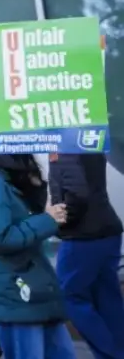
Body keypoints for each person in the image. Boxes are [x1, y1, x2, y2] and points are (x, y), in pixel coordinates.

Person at [0, 126, 76, 359]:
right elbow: (0, 238)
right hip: (14, 292)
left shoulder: (4, 177)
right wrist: (47, 220)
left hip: (30, 288)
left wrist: (37, 186)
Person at [50, 153, 124, 358]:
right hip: (107, 230)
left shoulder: (64, 146)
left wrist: (60, 223)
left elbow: (77, 193)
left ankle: (113, 353)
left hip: (83, 236)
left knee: (69, 296)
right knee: (107, 298)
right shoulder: (88, 140)